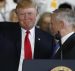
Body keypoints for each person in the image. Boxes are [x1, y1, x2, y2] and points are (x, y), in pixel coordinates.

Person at [0, 0, 54, 71]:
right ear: (17, 15)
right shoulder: (3, 30)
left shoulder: (48, 39)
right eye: (22, 14)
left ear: (37, 13)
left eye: (30, 13)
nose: (26, 17)